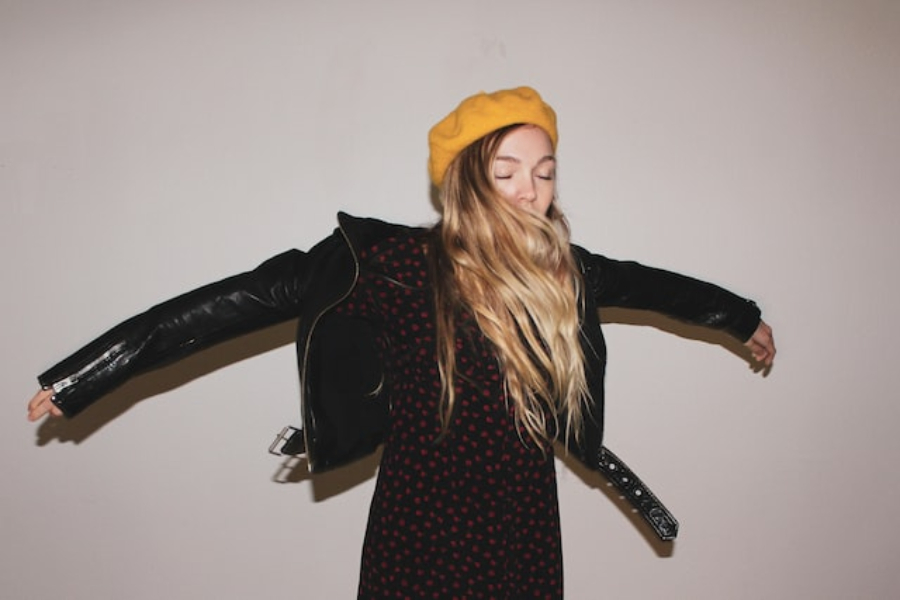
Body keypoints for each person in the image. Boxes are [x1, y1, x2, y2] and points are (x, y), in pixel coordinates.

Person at [27, 86, 775, 599]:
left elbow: (662, 288)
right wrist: (88, 374)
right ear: (465, 180)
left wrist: (742, 317)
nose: (530, 190)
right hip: (420, 515)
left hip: (521, 520)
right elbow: (230, 304)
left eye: (544, 173)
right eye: (507, 170)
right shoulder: (386, 264)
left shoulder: (562, 273)